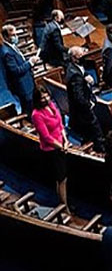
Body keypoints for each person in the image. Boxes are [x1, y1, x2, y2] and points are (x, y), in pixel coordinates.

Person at [30, 85, 70, 213]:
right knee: (61, 179)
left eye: (47, 95)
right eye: (42, 98)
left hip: (61, 145)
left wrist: (66, 140)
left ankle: (64, 203)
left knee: (63, 178)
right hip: (52, 150)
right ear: (37, 100)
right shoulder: (36, 115)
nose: (46, 99)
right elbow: (46, 137)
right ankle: (65, 207)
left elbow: (60, 124)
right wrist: (61, 146)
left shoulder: (51, 105)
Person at [66, 46, 104, 152]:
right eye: (81, 55)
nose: (84, 57)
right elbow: (79, 97)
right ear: (74, 58)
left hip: (79, 111)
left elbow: (82, 72)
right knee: (96, 131)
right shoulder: (75, 77)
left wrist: (85, 76)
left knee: (88, 132)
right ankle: (100, 151)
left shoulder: (73, 67)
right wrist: (89, 104)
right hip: (83, 111)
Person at [1, 23, 39, 114]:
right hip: (23, 86)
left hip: (26, 83)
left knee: (32, 108)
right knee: (29, 110)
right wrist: (30, 63)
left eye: (16, 34)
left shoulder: (11, 47)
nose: (16, 37)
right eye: (13, 35)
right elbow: (16, 71)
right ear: (6, 37)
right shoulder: (7, 52)